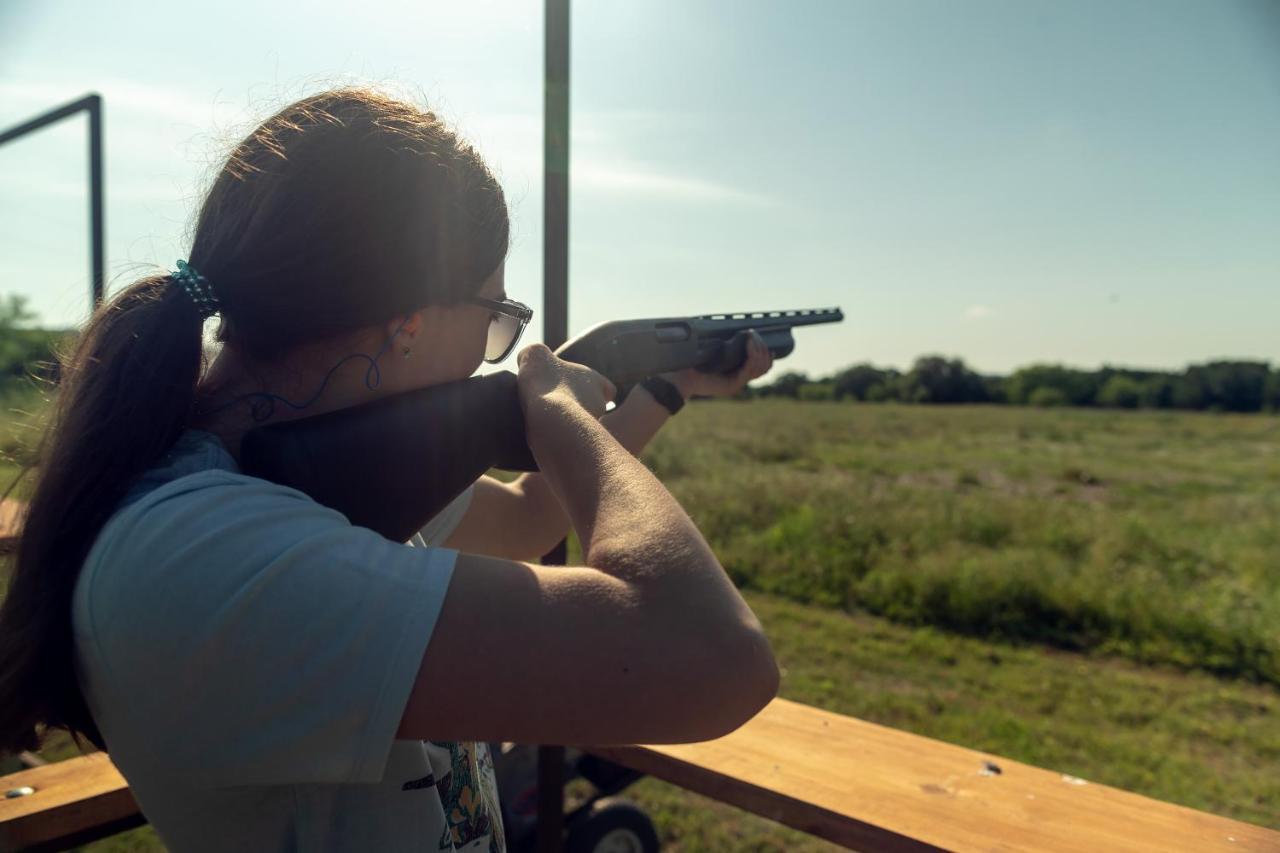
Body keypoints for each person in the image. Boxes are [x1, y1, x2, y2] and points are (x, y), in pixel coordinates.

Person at [0, 88, 780, 852]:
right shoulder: (205, 553)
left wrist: (668, 386)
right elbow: (717, 661)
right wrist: (563, 414)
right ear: (408, 320)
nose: (493, 349)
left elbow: (522, 519)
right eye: (496, 317)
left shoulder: (289, 483)